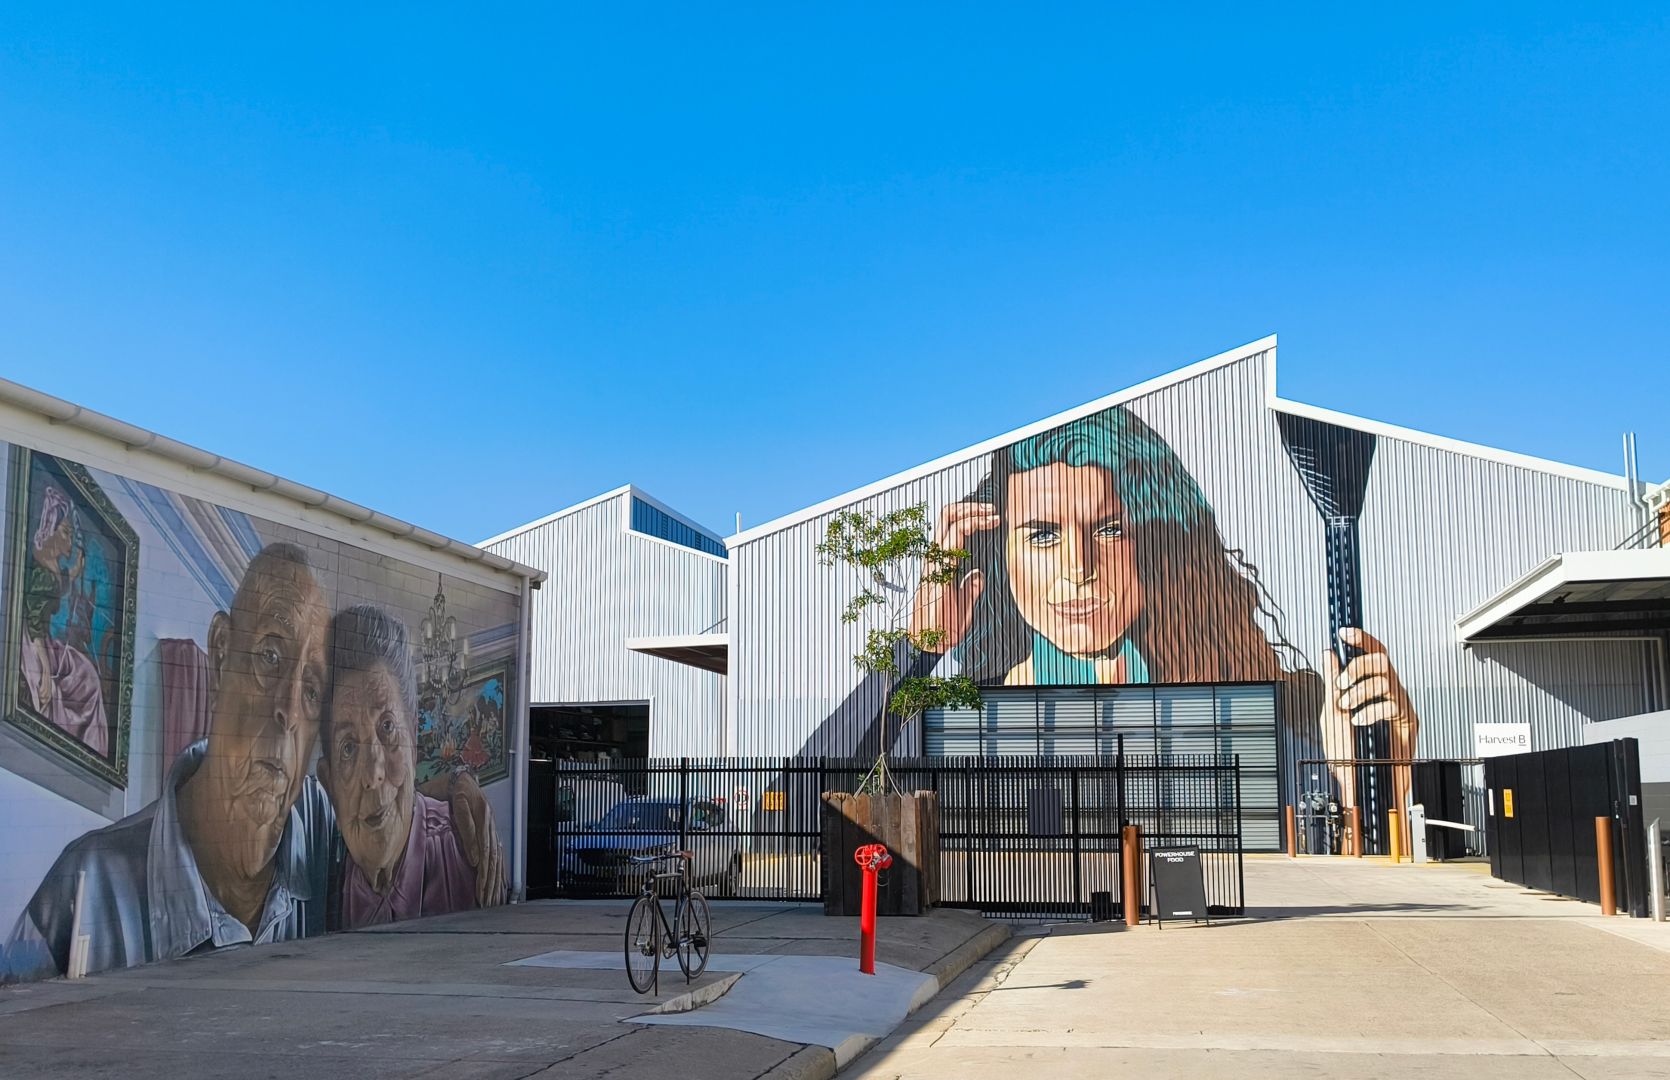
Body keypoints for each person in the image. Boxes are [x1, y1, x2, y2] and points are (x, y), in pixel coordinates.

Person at [2, 543, 505, 982]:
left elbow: (383, 800)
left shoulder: (318, 824)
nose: (289, 711)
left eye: (311, 690)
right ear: (221, 657)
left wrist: (456, 786)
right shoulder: (83, 891)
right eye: (269, 658)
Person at [909, 405, 1419, 814]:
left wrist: (1377, 772)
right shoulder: (975, 714)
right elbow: (877, 783)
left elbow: (1335, 845)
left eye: (1109, 530)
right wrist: (921, 653)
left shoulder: (1264, 711)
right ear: (1001, 555)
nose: (1078, 567)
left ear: (1157, 544)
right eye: (1043, 535)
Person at [320, 605, 479, 929]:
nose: (373, 773)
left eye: (388, 727)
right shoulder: (323, 878)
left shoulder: (463, 852)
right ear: (330, 783)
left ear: (414, 739)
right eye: (348, 747)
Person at [19, 484, 108, 755]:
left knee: (88, 675)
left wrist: (75, 571)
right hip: (34, 644)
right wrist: (46, 671)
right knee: (57, 689)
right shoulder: (43, 569)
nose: (70, 541)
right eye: (66, 532)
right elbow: (34, 622)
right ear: (51, 529)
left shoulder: (51, 566)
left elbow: (55, 589)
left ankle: (94, 749)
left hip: (46, 642)